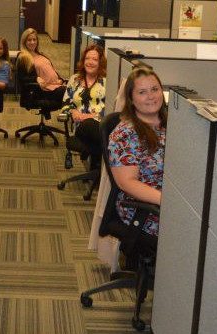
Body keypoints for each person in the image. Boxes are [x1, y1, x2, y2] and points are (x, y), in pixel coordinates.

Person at [108, 66, 166, 237]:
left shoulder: (170, 124)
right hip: (145, 208)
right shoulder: (126, 135)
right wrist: (167, 202)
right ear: (131, 99)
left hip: (174, 197)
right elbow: (127, 182)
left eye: (155, 89)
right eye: (142, 92)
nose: (151, 96)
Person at [62, 44, 107, 167]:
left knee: (92, 124)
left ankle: (98, 167)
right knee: (88, 125)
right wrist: (73, 112)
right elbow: (66, 102)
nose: (90, 62)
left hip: (100, 123)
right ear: (83, 61)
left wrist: (90, 116)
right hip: (80, 126)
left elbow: (111, 108)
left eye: (95, 59)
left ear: (100, 63)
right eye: (87, 59)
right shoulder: (75, 79)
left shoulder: (106, 81)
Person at [16, 28, 65, 98]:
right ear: (24, 42)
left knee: (73, 89)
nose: (32, 42)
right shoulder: (23, 57)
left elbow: (51, 70)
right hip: (42, 90)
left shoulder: (40, 54)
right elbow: (22, 78)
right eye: (29, 40)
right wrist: (36, 78)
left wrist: (61, 80)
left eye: (34, 39)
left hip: (56, 85)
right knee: (68, 93)